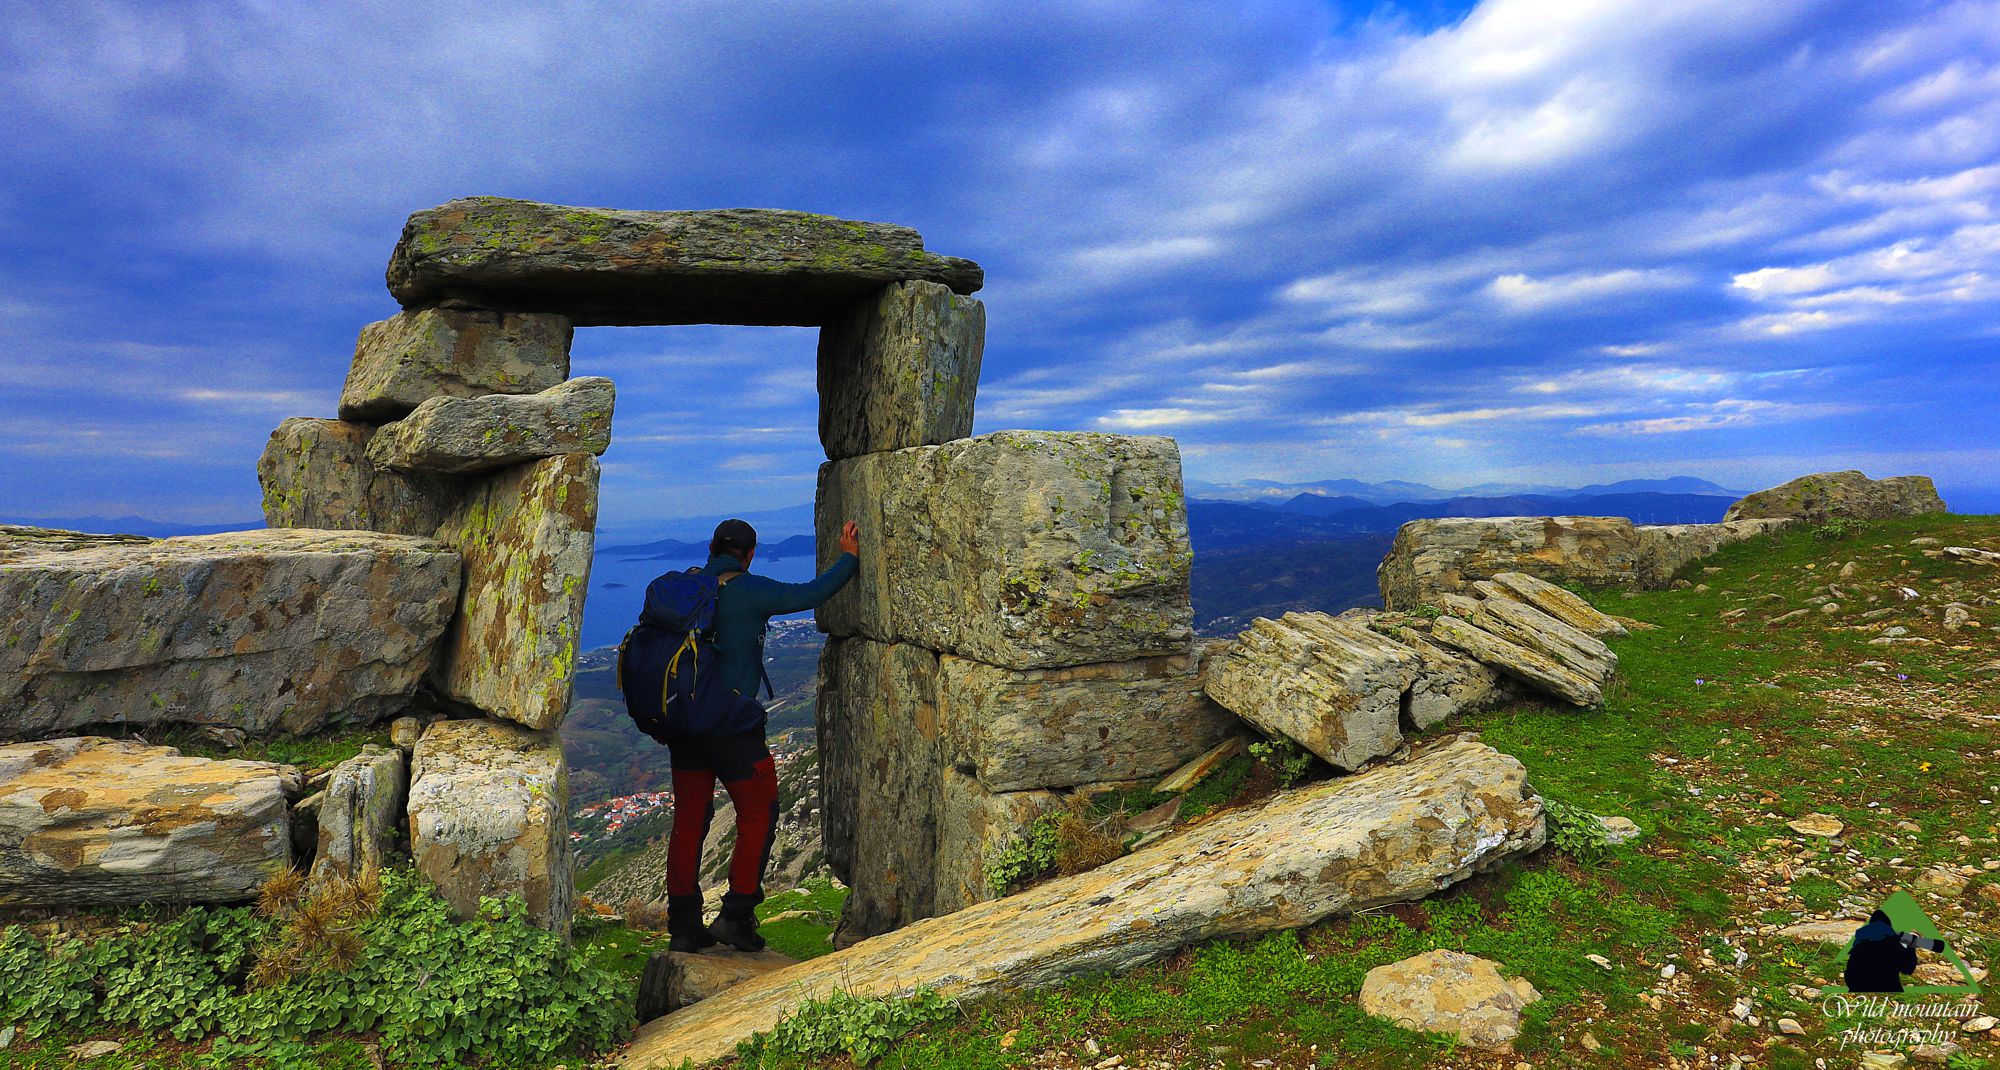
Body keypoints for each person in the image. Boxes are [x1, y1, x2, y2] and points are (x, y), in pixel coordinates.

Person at [661, 516, 859, 952]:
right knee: (758, 812)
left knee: (690, 821)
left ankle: (683, 926)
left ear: (711, 548)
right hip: (732, 727)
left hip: (683, 727)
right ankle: (736, 916)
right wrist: (849, 559)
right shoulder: (748, 589)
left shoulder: (681, 588)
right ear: (749, 554)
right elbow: (809, 593)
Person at [1843, 908, 1918, 993]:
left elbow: (1849, 975)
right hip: (1888, 988)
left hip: (1859, 988)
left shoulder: (1859, 945)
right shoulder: (1893, 944)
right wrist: (1911, 947)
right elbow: (1908, 969)